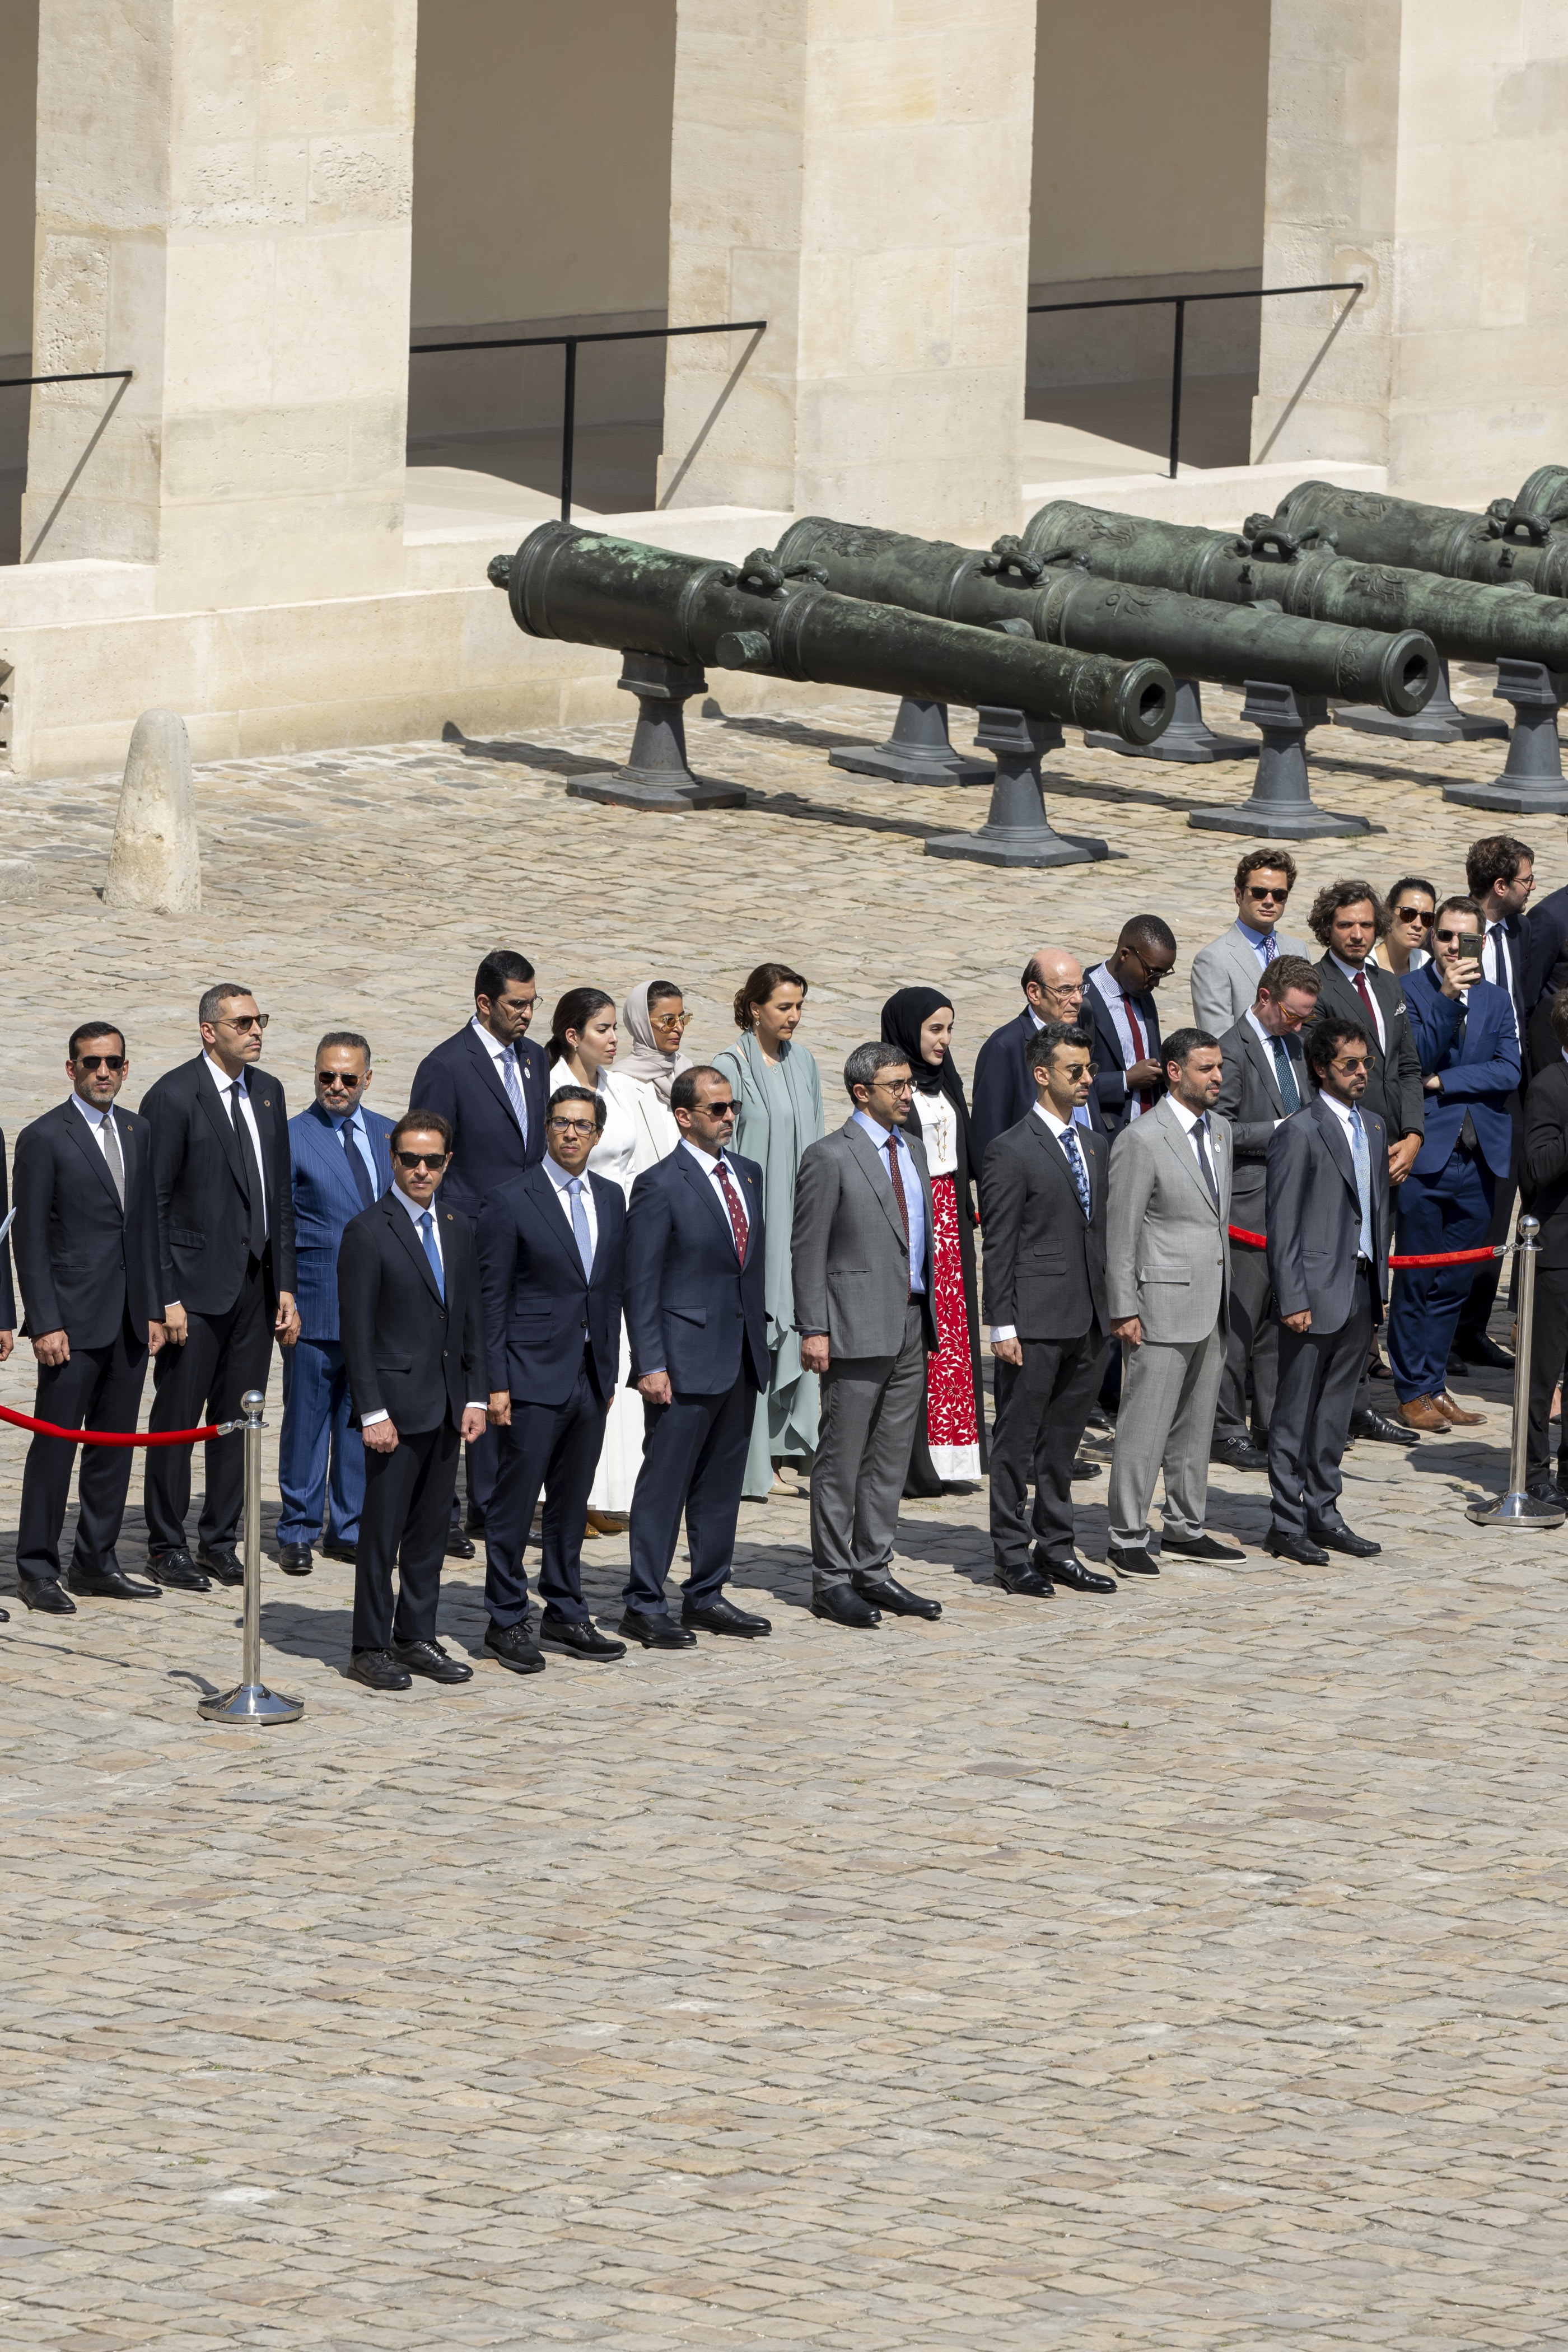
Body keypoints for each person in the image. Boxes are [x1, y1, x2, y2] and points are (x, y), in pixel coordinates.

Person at [139, 984, 299, 1590]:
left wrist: (284, 1284)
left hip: (255, 1287)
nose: (256, 1031)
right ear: (210, 1031)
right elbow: (153, 1206)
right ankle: (165, 1545)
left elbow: (279, 1197)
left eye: (260, 1020)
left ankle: (219, 1540)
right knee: (178, 1419)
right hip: (194, 1289)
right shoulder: (173, 1096)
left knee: (239, 1417)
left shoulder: (268, 1092)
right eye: (243, 1022)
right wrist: (167, 1297)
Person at [478, 1085, 629, 1672]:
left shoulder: (611, 1197)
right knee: (515, 1504)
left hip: (590, 1375)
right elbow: (492, 1299)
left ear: (597, 1135)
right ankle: (506, 1618)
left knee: (571, 1504)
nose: (571, 1133)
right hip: (529, 1374)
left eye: (583, 1125)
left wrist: (609, 1371)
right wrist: (496, 1381)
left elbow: (609, 1290)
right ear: (546, 1129)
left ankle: (565, 1610)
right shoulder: (510, 1199)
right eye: (562, 1123)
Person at [792, 1042, 943, 1628]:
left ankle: (873, 1567)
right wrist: (814, 1327)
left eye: (909, 1084)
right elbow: (807, 1250)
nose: (908, 1094)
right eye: (896, 1085)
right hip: (853, 1325)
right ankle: (831, 1579)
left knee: (889, 1457)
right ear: (862, 1092)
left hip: (911, 1321)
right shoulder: (829, 1156)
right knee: (842, 1459)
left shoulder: (913, 1149)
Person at [337, 1112, 487, 1692]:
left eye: (432, 1160)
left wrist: (476, 1395)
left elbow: (471, 1317)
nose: (421, 1170)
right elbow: (357, 1332)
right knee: (381, 1536)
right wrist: (372, 1412)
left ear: (447, 1162)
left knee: (429, 1533)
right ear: (393, 1160)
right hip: (394, 1411)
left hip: (447, 1405)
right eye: (410, 1159)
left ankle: (416, 1635)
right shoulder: (367, 1231)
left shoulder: (457, 1225)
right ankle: (369, 1646)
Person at [622, 1066, 772, 1646]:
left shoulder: (748, 1174)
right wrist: (650, 1363)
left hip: (739, 1355)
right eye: (717, 1109)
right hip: (682, 1362)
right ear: (684, 1116)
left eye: (733, 1107)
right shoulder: (660, 1184)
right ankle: (644, 1602)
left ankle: (706, 1593)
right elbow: (640, 1283)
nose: (729, 1117)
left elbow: (748, 1268)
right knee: (665, 1485)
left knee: (720, 1484)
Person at [11, 1023, 158, 1614]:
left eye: (113, 1062)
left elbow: (145, 1228)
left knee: (113, 1447)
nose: (104, 1072)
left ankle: (96, 1561)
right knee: (55, 1447)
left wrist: (153, 1308)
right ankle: (36, 1567)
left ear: (125, 1069)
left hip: (128, 1320)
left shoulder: (139, 1131)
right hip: (70, 1322)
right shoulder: (44, 1137)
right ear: (71, 1069)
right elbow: (29, 1239)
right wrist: (45, 1321)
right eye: (92, 1063)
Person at [409, 949, 549, 1548]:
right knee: (464, 1366)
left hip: (526, 1238)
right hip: (469, 1238)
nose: (527, 1015)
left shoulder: (535, 1059)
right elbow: (426, 1162)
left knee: (508, 1366)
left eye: (532, 1004)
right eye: (517, 1004)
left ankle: (496, 1504)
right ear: (484, 1002)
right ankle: (446, 1509)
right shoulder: (446, 1065)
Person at [980, 1022, 1114, 1599]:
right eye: (1074, 1071)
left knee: (1062, 1443)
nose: (1086, 1080)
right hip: (1032, 1321)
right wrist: (1001, 1323)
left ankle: (1057, 1547)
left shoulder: (1094, 1144)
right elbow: (999, 1243)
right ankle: (1011, 1555)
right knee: (1016, 1444)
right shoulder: (1010, 1149)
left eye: (1089, 1069)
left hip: (1088, 1318)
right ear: (1042, 1075)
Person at [1104, 1028, 1239, 1577]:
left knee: (1195, 1425)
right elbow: (1121, 1231)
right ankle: (1126, 1534)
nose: (1218, 1077)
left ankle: (1185, 1527)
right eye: (1207, 1068)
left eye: (1219, 1067)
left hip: (1211, 1300)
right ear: (1175, 1072)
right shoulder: (1141, 1139)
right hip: (1158, 1305)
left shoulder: (1221, 1131)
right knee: (1144, 1425)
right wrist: (1124, 1307)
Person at [1386, 896, 1519, 1431]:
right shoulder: (1408, 991)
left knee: (1455, 1282)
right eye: (1444, 936)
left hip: (1480, 1156)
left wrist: (1445, 1080)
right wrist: (1446, 997)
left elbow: (1509, 1070)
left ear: (1480, 942)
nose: (1452, 947)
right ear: (1433, 937)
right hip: (1427, 1155)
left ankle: (1435, 1384)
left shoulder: (1497, 999)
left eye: (1463, 939)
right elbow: (1412, 1058)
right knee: (1416, 1279)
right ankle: (1410, 1390)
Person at [1264, 1017, 1392, 1562]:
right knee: (1295, 1411)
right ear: (1321, 1068)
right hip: (1313, 1293)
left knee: (1335, 1412)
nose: (1361, 1072)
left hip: (1360, 1286)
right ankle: (1285, 1521)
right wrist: (1292, 1297)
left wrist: (1380, 1287)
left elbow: (1376, 1212)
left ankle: (1324, 1511)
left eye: (1366, 1063)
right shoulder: (1300, 1131)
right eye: (1350, 1064)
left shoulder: (1375, 1126)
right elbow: (1283, 1223)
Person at [547, 984, 674, 1529]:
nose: (613, 1038)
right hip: (573, 1231)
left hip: (621, 1229)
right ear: (573, 1035)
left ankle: (608, 1488)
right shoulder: (552, 1088)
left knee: (617, 1352)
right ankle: (568, 1492)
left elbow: (644, 1157)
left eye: (614, 1028)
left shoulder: (619, 1087)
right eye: (603, 1029)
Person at [1306, 880, 1426, 1448]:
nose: (1357, 934)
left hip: (1391, 1154)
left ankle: (1356, 1404)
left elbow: (1407, 1065)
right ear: (1326, 928)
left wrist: (1414, 1134)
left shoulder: (1386, 983)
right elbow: (1318, 1076)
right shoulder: (1318, 986)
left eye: (1365, 925)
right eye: (1345, 925)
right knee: (1341, 1285)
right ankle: (1327, 1404)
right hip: (1344, 1153)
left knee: (1374, 1280)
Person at [275, 1032, 394, 1577]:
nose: (337, 1087)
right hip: (316, 1303)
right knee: (307, 1421)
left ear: (367, 1078)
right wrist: (285, 1297)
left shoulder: (390, 1135)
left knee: (358, 1418)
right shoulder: (292, 1136)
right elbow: (280, 1226)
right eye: (327, 1076)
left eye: (348, 1077)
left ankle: (350, 1527)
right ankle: (298, 1528)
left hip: (376, 1310)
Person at [713, 962, 825, 1500]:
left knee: (799, 1320)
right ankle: (755, 1461)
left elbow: (817, 1139)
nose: (794, 1016)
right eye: (784, 1006)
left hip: (800, 1215)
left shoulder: (804, 1062)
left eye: (799, 1006)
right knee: (761, 1326)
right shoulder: (729, 1067)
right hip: (755, 1219)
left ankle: (788, 1447)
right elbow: (722, 1147)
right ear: (755, 1009)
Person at [1210, 956, 1321, 1474]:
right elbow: (1219, 1131)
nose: (1299, 1026)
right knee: (1239, 1325)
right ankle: (1227, 1430)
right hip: (1248, 1207)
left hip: (1292, 1203)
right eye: (1293, 1015)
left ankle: (1272, 1424)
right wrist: (1282, 1130)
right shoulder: (1230, 1051)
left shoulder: (1293, 1044)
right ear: (1265, 998)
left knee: (1281, 1322)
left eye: (1305, 1017)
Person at [880, 987, 986, 1494]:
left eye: (949, 1029)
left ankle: (953, 1457)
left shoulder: (947, 1082)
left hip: (952, 1223)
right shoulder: (892, 1087)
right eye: (935, 1029)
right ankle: (913, 1461)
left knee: (955, 1338)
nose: (944, 1040)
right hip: (916, 1219)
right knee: (919, 1337)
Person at [1453, 834, 1536, 1369]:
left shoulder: (1519, 931)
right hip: (1475, 1091)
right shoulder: (1464, 936)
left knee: (1502, 1210)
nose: (1533, 888)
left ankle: (1475, 1327)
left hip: (1516, 1088)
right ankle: (1449, 1329)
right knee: (1470, 1210)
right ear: (1501, 885)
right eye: (1526, 879)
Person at [971, 949, 1105, 1157]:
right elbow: (989, 1139)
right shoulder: (1004, 1047)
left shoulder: (1080, 1028)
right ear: (1034, 993)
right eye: (1066, 990)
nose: (1078, 999)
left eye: (1080, 988)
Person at [1519, 991, 1568, 1502]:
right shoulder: (1550, 1085)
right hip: (1558, 1250)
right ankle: (1533, 1474)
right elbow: (1537, 1168)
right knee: (1543, 1372)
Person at [1189, 850, 1310, 1033]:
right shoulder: (1213, 959)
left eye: (1279, 895)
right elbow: (1218, 1035)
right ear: (1239, 895)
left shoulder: (1298, 949)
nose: (1269, 901)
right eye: (1259, 893)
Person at [1083, 917, 1176, 1134]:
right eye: (1152, 972)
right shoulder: (1082, 1003)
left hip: (1151, 1133)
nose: (1156, 983)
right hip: (1107, 1136)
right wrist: (1126, 1080)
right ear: (1125, 955)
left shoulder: (1143, 996)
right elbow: (1064, 1084)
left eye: (1163, 975)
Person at [617, 978, 691, 1148]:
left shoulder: (686, 1069)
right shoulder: (621, 1082)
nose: (679, 1028)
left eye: (682, 1019)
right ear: (641, 1022)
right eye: (669, 1021)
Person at [1374, 877, 1436, 978]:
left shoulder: (1424, 963)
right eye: (1408, 914)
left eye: (1427, 918)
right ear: (1389, 912)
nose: (1418, 924)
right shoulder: (1365, 966)